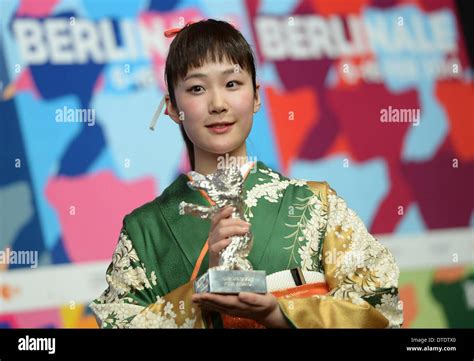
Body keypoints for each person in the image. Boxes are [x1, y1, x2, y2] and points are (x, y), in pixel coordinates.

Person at [89, 19, 403, 329]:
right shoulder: (145, 230)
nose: (218, 103)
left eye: (232, 84)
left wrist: (280, 315)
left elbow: (380, 309)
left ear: (255, 96)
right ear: (172, 108)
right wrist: (204, 287)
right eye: (197, 88)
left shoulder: (316, 204)